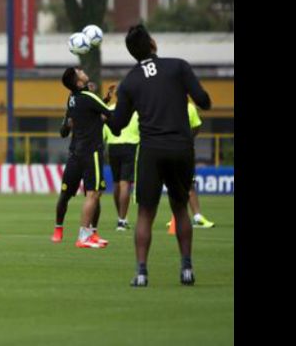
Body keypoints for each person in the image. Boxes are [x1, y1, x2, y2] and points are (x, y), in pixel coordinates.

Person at [109, 24, 211, 287]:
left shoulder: (129, 81)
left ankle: (142, 273)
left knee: (145, 212)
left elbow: (117, 125)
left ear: (132, 53)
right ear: (152, 44)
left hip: (151, 151)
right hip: (181, 147)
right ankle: (186, 269)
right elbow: (204, 100)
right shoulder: (178, 67)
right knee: (180, 208)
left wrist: (104, 112)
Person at [55, 68, 113, 249]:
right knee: (90, 193)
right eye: (79, 71)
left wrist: (102, 99)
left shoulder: (74, 97)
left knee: (95, 194)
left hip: (80, 150)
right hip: (88, 150)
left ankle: (91, 233)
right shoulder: (85, 96)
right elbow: (108, 114)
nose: (82, 71)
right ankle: (79, 234)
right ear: (78, 82)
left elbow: (91, 114)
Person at [102, 98, 140, 232]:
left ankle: (121, 217)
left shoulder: (109, 109)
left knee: (116, 183)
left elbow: (104, 133)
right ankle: (122, 221)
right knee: (125, 183)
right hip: (130, 146)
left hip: (113, 146)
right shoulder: (135, 110)